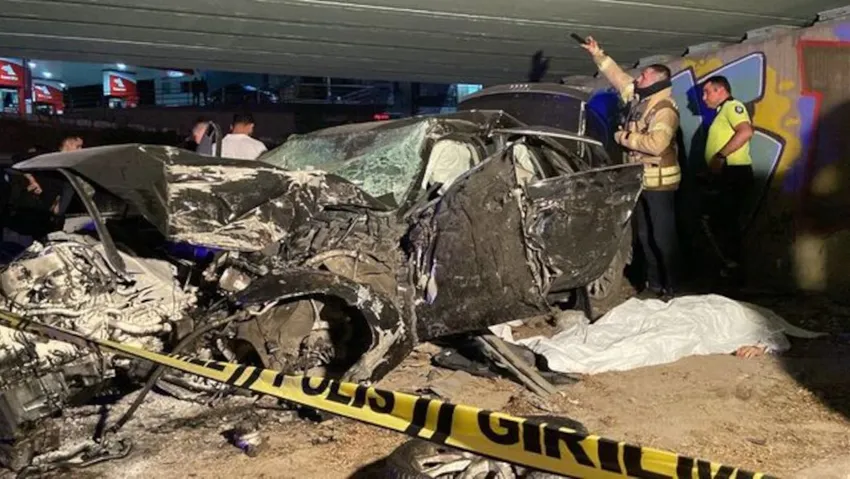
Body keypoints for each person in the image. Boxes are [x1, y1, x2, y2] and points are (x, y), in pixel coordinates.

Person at [580, 36, 682, 298]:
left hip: (659, 184)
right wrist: (598, 54)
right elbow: (618, 77)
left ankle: (672, 287)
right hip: (640, 180)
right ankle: (653, 285)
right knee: (645, 235)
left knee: (662, 237)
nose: (638, 78)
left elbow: (657, 145)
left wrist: (624, 138)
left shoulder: (664, 109)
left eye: (645, 76)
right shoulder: (639, 98)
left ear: (657, 81)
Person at [701, 75, 755, 280]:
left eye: (707, 92)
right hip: (725, 174)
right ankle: (730, 268)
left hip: (733, 173)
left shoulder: (733, 107)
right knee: (722, 223)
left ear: (720, 90)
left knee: (727, 224)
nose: (704, 97)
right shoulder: (721, 112)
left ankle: (734, 270)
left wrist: (720, 156)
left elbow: (746, 132)